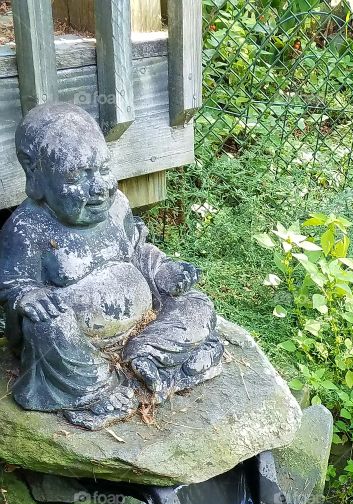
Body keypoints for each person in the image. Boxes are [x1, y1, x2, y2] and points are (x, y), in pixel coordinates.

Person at [0, 103, 223, 430]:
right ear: (37, 178)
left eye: (104, 169)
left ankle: (146, 356)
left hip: (140, 326)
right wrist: (27, 297)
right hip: (80, 347)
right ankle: (99, 387)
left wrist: (164, 271)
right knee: (48, 327)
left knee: (196, 304)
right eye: (77, 175)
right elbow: (11, 284)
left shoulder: (117, 208)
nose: (100, 187)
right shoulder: (28, 228)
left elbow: (139, 251)